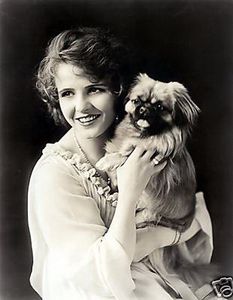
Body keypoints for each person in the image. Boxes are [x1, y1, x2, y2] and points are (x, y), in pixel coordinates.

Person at [28, 27, 216, 300]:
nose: (81, 107)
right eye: (67, 93)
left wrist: (159, 237)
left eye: (94, 89)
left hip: (154, 276)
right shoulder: (54, 175)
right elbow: (98, 279)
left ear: (118, 89)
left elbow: (186, 213)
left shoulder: (144, 141)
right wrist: (129, 192)